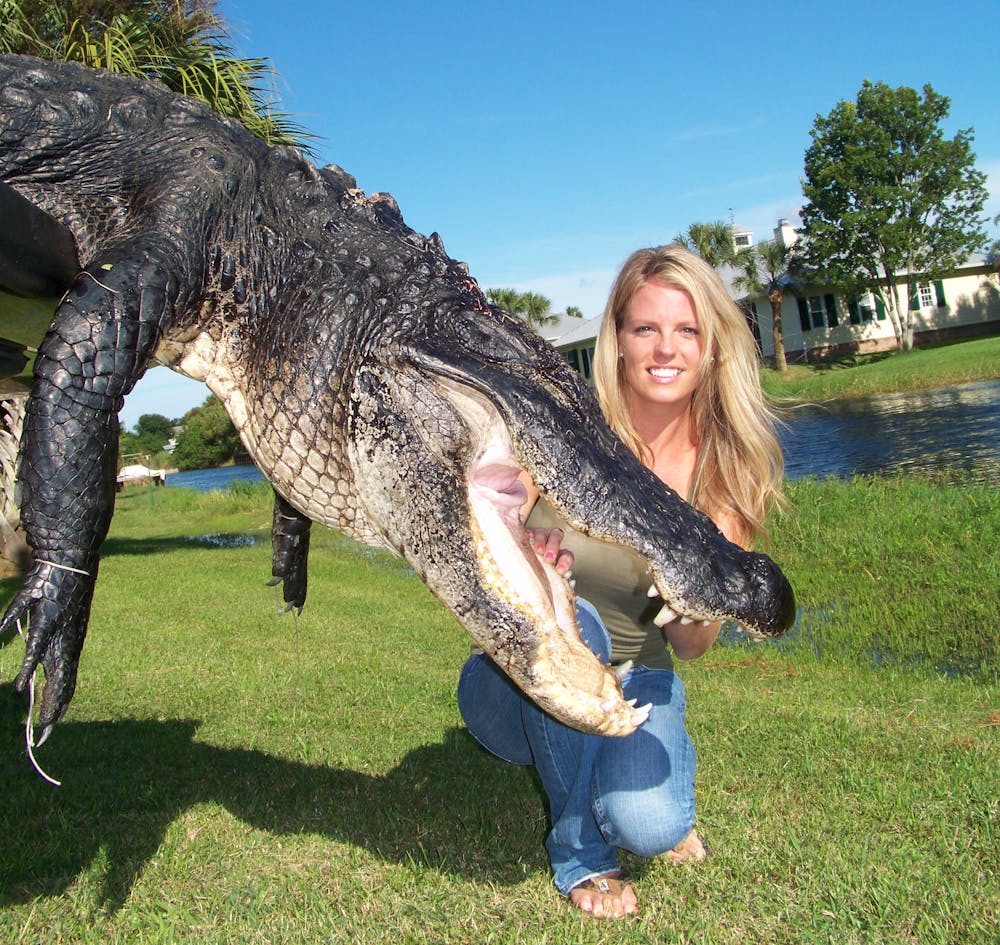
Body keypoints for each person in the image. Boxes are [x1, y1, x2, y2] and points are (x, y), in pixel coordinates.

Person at [457, 244, 785, 918]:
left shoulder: (727, 473)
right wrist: (526, 553)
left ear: (712, 346)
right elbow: (485, 511)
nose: (666, 348)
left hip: (640, 679)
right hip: (512, 684)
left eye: (686, 330)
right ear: (619, 341)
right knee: (578, 621)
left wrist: (690, 609)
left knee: (651, 824)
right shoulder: (569, 428)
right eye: (646, 329)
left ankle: (634, 783)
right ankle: (581, 853)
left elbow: (694, 646)